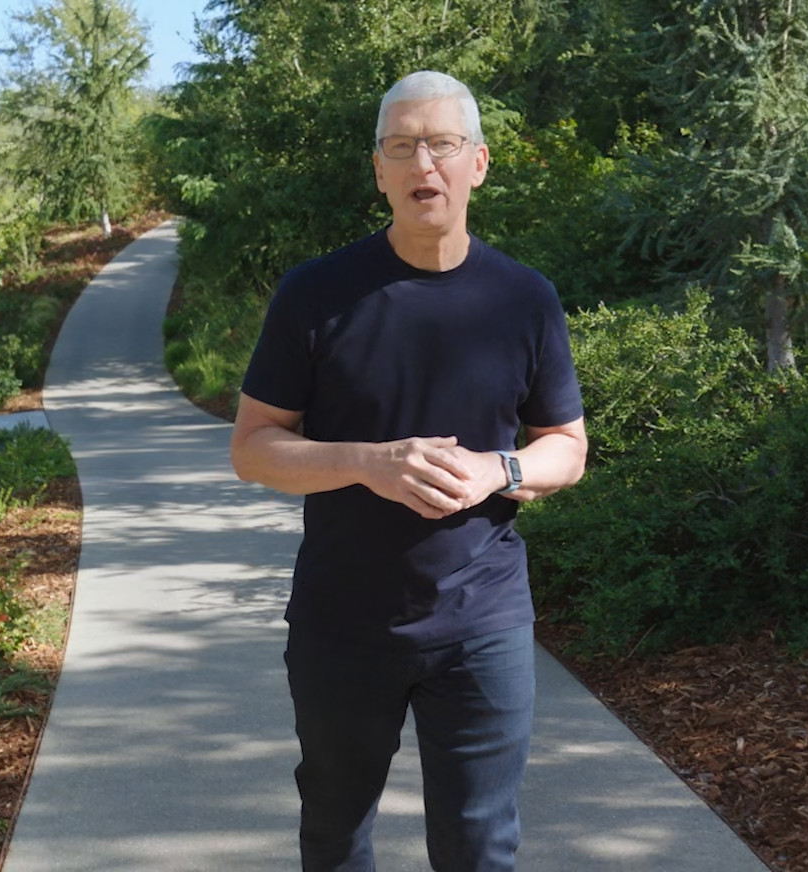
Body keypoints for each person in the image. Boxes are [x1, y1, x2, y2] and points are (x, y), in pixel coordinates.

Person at [230, 70, 589, 871]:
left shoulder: (525, 299)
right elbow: (253, 446)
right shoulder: (316, 295)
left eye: (442, 144)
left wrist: (498, 469)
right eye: (401, 147)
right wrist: (368, 463)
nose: (423, 164)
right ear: (379, 170)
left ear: (478, 163)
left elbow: (566, 445)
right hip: (342, 622)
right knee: (335, 834)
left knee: (479, 846)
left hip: (483, 621)